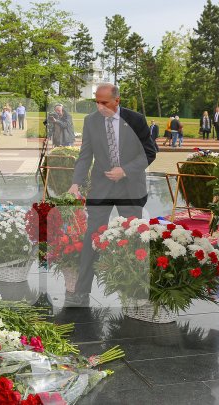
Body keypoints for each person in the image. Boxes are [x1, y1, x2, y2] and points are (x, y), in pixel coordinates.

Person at [66, 83, 157, 306]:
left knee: (133, 236)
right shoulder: (91, 121)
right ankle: (81, 290)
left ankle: (134, 289)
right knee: (92, 235)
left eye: (104, 102)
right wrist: (76, 183)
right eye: (96, 101)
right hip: (101, 187)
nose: (100, 107)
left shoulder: (135, 120)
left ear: (117, 100)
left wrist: (125, 170)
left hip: (130, 186)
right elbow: (85, 155)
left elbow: (149, 152)